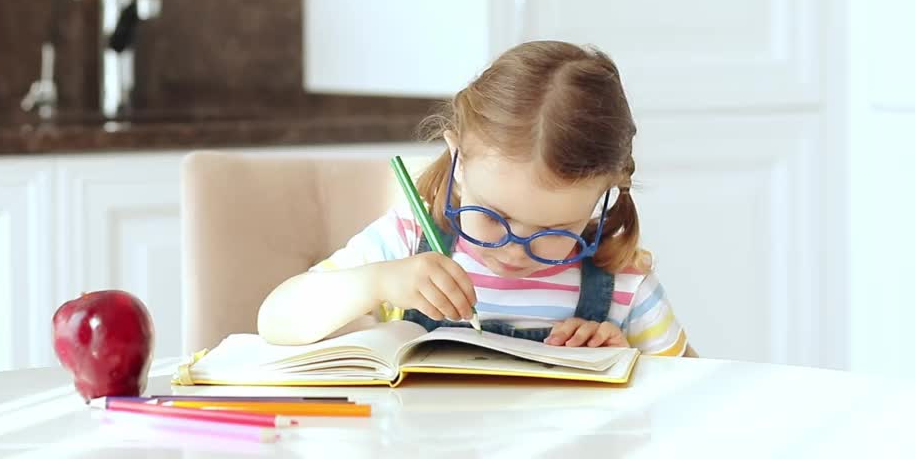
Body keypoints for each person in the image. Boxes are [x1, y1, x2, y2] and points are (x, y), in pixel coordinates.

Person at [258, 40, 695, 357]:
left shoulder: (622, 284)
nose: (514, 249)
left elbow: (696, 399)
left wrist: (628, 364)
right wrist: (377, 282)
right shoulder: (407, 242)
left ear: (603, 198)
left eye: (555, 231)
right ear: (458, 161)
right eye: (492, 216)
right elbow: (277, 320)